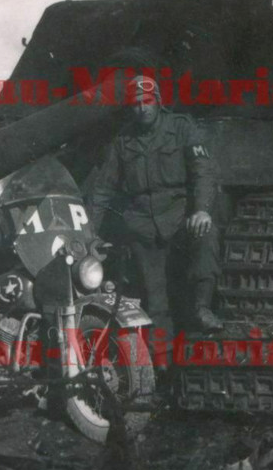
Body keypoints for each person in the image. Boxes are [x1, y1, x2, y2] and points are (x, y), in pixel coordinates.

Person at [87, 73, 224, 334]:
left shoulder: (181, 127)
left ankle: (202, 306)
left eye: (147, 101)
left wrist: (202, 210)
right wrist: (90, 234)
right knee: (154, 300)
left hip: (179, 216)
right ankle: (161, 363)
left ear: (158, 101)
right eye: (136, 103)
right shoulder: (123, 140)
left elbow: (202, 171)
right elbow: (104, 188)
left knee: (206, 236)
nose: (142, 108)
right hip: (141, 225)